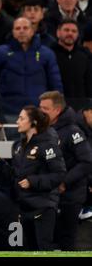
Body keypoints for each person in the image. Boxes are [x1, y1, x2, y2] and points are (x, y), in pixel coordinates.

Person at [0, 105, 66, 250]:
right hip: (23, 207)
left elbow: (59, 174)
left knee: (44, 249)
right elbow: (16, 176)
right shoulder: (18, 146)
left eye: (21, 118)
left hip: (43, 207)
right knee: (26, 250)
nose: (17, 122)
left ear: (34, 123)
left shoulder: (48, 144)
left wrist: (33, 182)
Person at [39, 91, 92, 250]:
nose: (40, 111)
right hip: (47, 196)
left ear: (57, 110)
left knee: (66, 242)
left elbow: (86, 161)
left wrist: (64, 182)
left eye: (45, 109)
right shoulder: (42, 130)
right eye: (40, 107)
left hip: (70, 196)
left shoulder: (72, 131)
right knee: (47, 241)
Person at [0, 17, 63, 128]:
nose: (21, 31)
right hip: (9, 112)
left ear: (32, 31)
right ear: (13, 32)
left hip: (38, 112)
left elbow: (55, 84)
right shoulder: (1, 52)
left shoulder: (46, 53)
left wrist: (57, 109)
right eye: (18, 28)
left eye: (25, 28)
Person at [51, 19, 92, 102]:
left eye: (74, 31)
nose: (70, 33)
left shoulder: (85, 54)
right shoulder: (50, 53)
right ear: (58, 33)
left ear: (77, 34)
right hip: (57, 105)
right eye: (66, 30)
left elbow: (89, 81)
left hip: (82, 106)